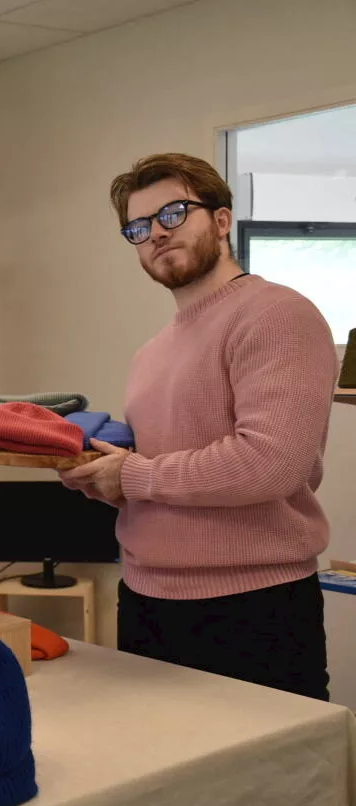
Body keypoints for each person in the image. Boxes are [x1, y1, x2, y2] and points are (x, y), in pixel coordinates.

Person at [61, 152, 335, 702]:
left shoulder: (277, 315)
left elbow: (269, 466)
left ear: (222, 220)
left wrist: (133, 477)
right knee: (164, 780)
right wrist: (103, 480)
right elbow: (163, 477)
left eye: (174, 213)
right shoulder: (151, 352)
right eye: (139, 227)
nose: (156, 234)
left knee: (262, 786)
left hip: (252, 611)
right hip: (146, 600)